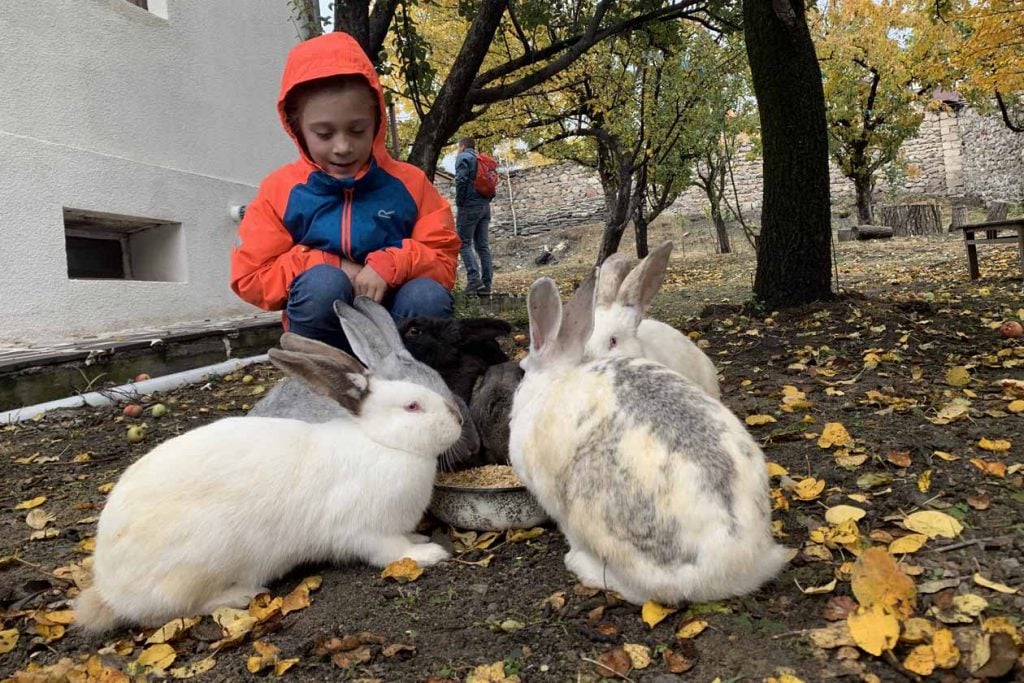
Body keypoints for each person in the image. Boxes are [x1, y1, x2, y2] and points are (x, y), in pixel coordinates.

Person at [230, 32, 460, 351]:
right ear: (297, 128)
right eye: (324, 134)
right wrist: (329, 264)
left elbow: (443, 260)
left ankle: (413, 390)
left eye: (357, 130)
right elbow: (251, 277)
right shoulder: (278, 191)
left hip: (397, 331)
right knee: (323, 283)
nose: (342, 147)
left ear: (376, 121)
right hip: (325, 334)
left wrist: (391, 264)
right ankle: (319, 384)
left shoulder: (411, 183)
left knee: (428, 295)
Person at [454, 137, 493, 296]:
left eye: (458, 146)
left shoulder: (463, 157)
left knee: (463, 243)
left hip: (469, 206)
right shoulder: (483, 160)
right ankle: (487, 284)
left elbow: (461, 180)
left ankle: (473, 278)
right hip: (485, 207)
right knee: (482, 246)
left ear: (462, 146)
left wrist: (460, 201)